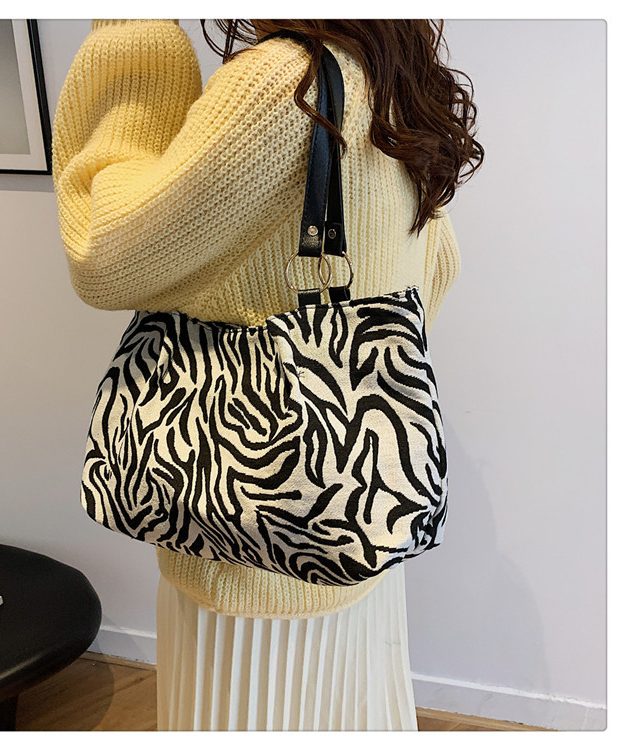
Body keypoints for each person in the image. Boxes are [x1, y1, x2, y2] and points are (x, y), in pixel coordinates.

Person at [52, 19, 483, 730]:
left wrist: (135, 35)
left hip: (249, 571)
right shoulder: (392, 72)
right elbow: (437, 267)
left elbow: (104, 257)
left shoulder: (280, 82)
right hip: (350, 528)